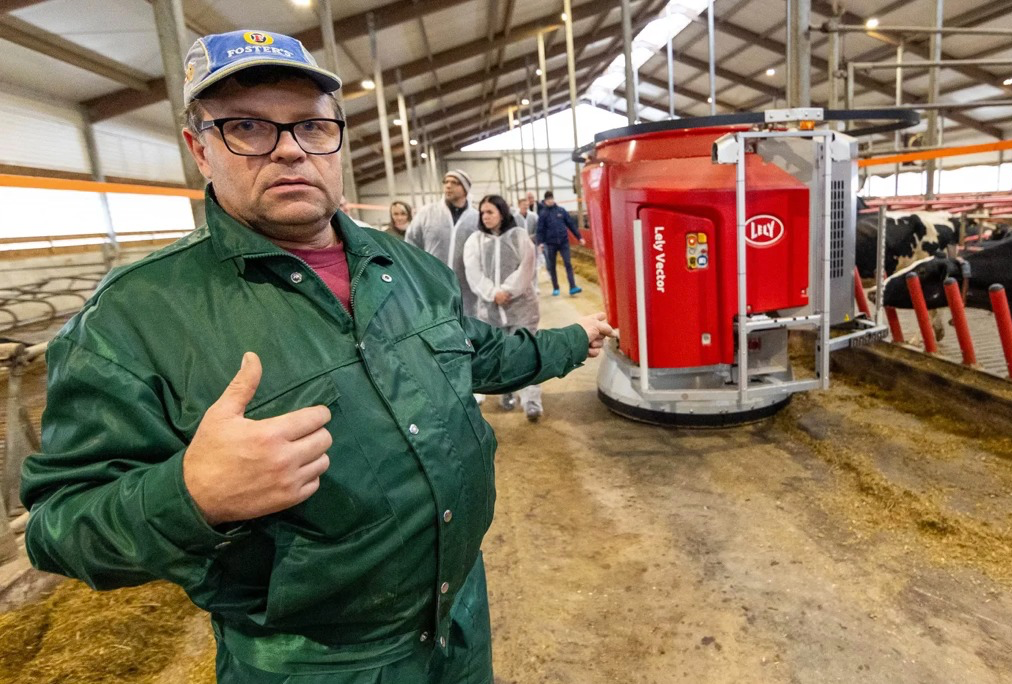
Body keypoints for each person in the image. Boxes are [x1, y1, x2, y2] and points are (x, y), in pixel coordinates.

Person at [19, 29, 613, 684]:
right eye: (248, 127)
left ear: (337, 137)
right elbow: (59, 524)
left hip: (460, 620)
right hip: (314, 661)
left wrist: (573, 339)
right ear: (200, 148)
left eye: (310, 127)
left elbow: (483, 353)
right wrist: (190, 494)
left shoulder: (409, 270)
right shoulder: (137, 317)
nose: (289, 151)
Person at [463, 195, 542, 421]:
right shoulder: (475, 241)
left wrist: (508, 290)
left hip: (521, 308)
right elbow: (473, 272)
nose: (485, 217)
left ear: (502, 213)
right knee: (499, 356)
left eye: (490, 212)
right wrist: (492, 293)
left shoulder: (518, 236)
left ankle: (532, 401)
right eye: (483, 213)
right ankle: (506, 392)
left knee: (528, 353)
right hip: (491, 310)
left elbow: (526, 267)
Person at [405, 169, 479, 315]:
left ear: (465, 189)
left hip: (466, 286)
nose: (448, 186)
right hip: (432, 283)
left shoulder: (476, 218)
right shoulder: (427, 213)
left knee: (466, 325)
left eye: (454, 183)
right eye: (446, 182)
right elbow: (410, 244)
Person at [537, 190, 584, 296]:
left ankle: (572, 287)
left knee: (568, 263)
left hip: (563, 242)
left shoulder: (561, 211)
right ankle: (556, 287)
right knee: (552, 265)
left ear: (553, 199)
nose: (550, 201)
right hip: (551, 244)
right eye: (548, 199)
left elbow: (571, 224)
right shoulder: (543, 214)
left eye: (551, 198)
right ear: (545, 201)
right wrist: (540, 243)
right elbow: (540, 230)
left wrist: (579, 237)